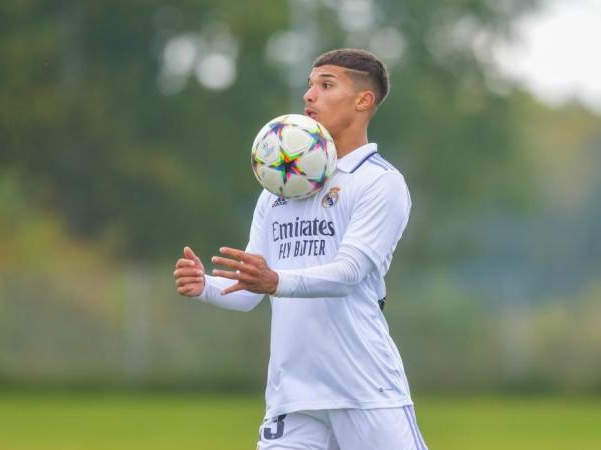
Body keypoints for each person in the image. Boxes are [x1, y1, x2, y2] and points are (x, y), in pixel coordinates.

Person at [173, 48, 427, 450]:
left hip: (365, 391)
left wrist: (274, 281)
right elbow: (249, 293)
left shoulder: (379, 182)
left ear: (364, 101)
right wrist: (203, 284)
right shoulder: (277, 189)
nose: (309, 95)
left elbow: (347, 274)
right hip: (292, 397)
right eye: (310, 85)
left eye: (326, 85)